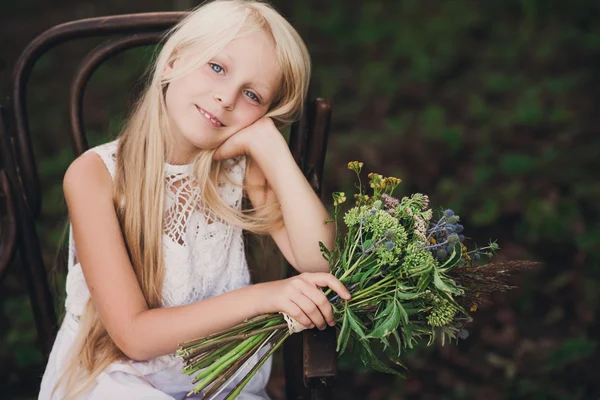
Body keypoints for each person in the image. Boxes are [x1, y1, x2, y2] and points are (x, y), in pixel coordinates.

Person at [38, 0, 351, 399]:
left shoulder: (242, 167)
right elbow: (135, 336)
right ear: (173, 62)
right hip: (116, 381)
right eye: (217, 68)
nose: (226, 98)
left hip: (218, 383)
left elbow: (321, 257)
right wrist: (264, 297)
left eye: (252, 95)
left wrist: (269, 145)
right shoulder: (95, 176)